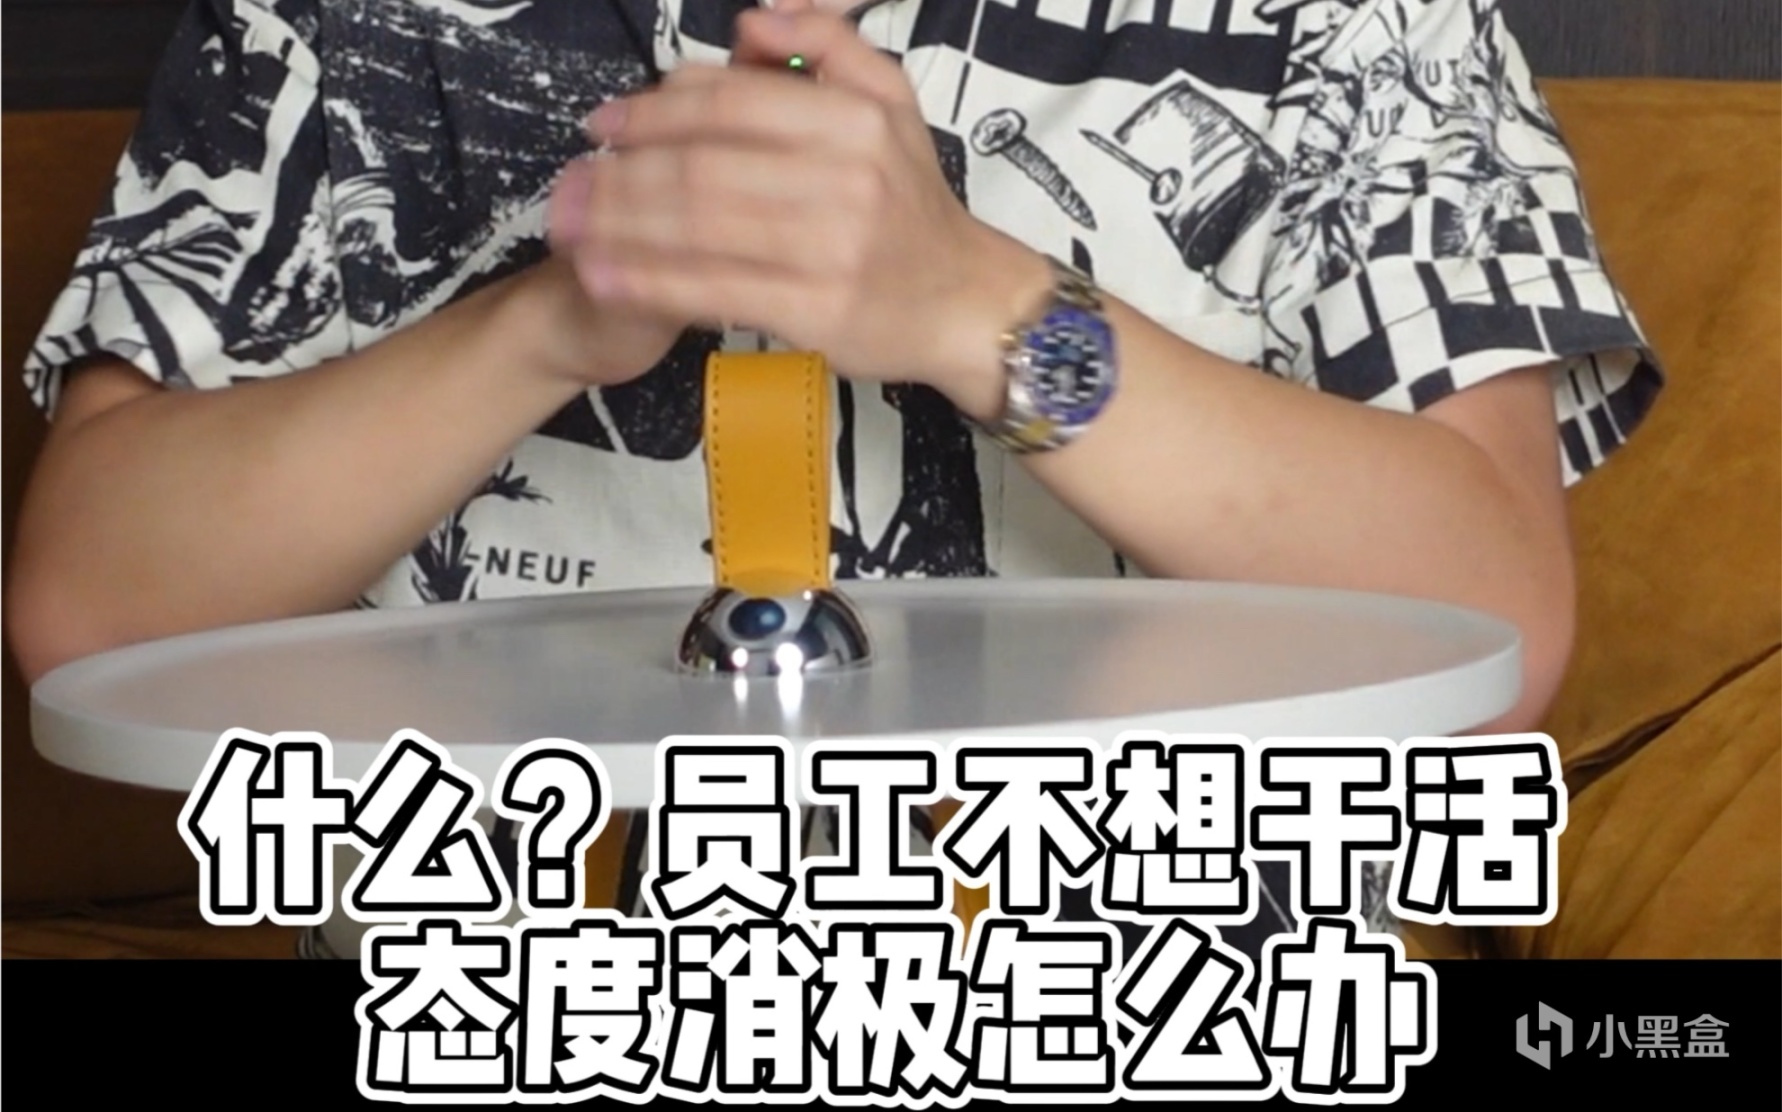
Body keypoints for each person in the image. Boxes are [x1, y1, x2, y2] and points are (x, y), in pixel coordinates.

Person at [7, 0, 1660, 960]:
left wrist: (982, 314)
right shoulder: (338, 24)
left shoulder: (1347, 24)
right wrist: (552, 321)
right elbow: (93, 608)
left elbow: (1492, 624)